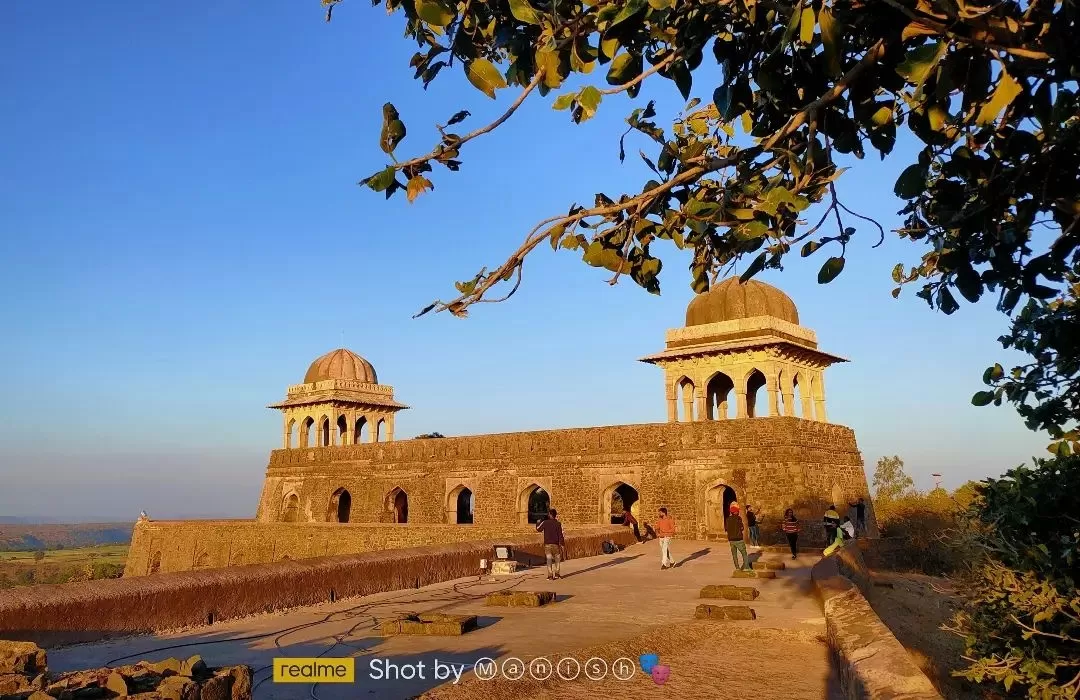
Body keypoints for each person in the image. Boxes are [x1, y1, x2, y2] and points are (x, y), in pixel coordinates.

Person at [535, 508, 566, 580]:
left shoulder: (545, 522)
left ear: (550, 515)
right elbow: (561, 535)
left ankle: (550, 575)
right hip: (556, 545)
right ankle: (557, 574)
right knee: (557, 560)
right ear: (555, 515)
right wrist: (562, 545)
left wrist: (538, 522)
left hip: (548, 545)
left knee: (549, 560)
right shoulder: (558, 524)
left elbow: (538, 529)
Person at [726, 503, 752, 571]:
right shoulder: (738, 518)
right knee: (744, 553)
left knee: (734, 554)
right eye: (737, 511)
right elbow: (742, 528)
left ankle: (737, 568)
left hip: (731, 539)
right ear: (735, 512)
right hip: (738, 538)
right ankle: (746, 567)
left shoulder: (727, 519)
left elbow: (726, 528)